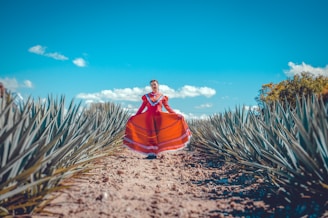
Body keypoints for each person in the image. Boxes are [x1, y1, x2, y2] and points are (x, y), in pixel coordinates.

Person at [123, 79, 191, 159]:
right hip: (148, 117)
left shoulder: (162, 97)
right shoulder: (147, 97)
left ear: (158, 85)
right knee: (150, 134)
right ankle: (151, 153)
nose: (153, 86)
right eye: (152, 85)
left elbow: (167, 107)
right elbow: (142, 107)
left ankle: (156, 152)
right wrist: (135, 116)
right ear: (150, 87)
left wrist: (175, 115)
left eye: (154, 84)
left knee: (158, 135)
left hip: (159, 118)